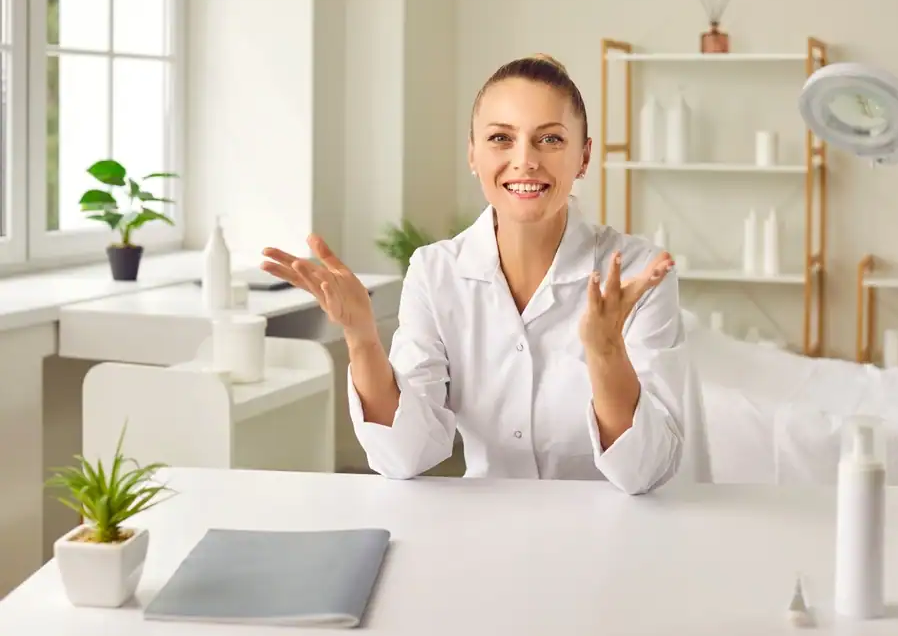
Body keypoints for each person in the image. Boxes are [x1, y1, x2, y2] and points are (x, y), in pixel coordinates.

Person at [261, 53, 707, 495]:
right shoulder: (435, 271)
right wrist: (361, 337)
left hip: (613, 526)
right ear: (472, 153)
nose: (525, 160)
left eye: (550, 139)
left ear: (584, 156)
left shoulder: (638, 274)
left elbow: (646, 471)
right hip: (484, 522)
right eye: (500, 138)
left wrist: (606, 353)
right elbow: (405, 455)